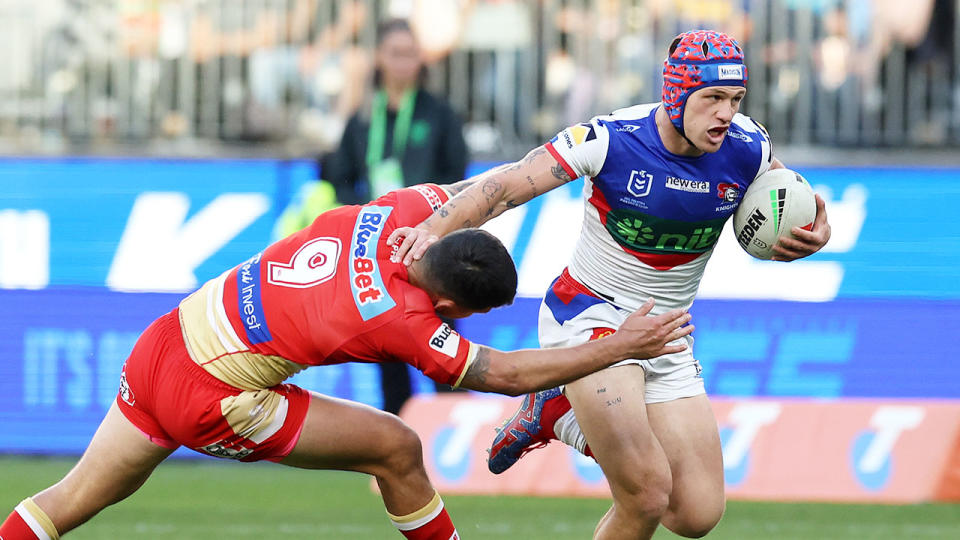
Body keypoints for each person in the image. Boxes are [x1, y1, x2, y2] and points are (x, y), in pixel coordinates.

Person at [0, 180, 694, 540]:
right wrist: (623, 344)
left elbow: (475, 191)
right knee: (395, 448)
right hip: (214, 397)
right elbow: (503, 375)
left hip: (167, 340)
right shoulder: (407, 321)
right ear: (454, 308)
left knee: (68, 504)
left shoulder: (394, 214)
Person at [389, 30, 832, 539]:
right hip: (589, 319)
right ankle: (569, 406)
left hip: (665, 335)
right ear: (676, 93)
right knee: (645, 493)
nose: (725, 114)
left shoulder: (749, 148)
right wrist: (431, 229)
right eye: (711, 98)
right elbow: (506, 185)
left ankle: (554, 410)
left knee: (696, 514)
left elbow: (786, 198)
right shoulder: (610, 140)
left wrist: (816, 231)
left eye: (734, 100)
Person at [319, 18, 470, 415]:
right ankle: (397, 442)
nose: (404, 62)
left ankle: (457, 442)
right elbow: (341, 174)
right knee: (386, 344)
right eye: (395, 53)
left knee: (443, 343)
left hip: (429, 245)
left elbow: (458, 174)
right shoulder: (364, 117)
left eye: (410, 53)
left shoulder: (439, 114)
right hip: (377, 249)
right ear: (379, 59)